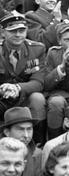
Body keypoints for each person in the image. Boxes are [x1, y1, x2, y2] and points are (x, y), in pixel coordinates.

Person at [0, 12, 46, 145]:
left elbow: (38, 82)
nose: (18, 35)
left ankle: (38, 143)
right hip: (2, 98)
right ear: (3, 32)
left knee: (38, 98)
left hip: (23, 97)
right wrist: (3, 89)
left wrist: (17, 88)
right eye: (13, 31)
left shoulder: (37, 49)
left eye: (22, 30)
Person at [1, 107, 41, 176]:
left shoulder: (37, 154)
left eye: (29, 129)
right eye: (20, 129)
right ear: (7, 132)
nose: (26, 135)